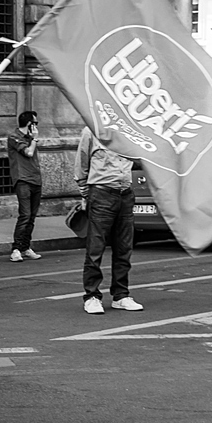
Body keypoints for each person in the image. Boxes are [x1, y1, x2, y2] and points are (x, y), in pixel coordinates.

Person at [75, 127, 143, 315]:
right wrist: (86, 194)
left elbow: (139, 159)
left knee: (124, 248)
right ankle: (92, 296)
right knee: (95, 248)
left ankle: (121, 295)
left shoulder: (129, 129)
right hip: (101, 193)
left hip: (125, 193)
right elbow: (81, 164)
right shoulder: (91, 130)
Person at [8, 110, 43, 262]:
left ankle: (25, 247)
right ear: (29, 124)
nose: (36, 127)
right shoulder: (14, 137)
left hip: (35, 179)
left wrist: (32, 138)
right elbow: (28, 152)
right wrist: (34, 139)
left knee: (31, 217)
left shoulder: (30, 138)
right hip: (23, 180)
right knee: (25, 215)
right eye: (35, 123)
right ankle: (16, 249)